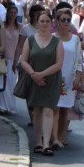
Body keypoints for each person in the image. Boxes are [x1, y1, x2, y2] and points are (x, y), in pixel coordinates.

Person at [19, 9, 64, 156]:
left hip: (51, 80)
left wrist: (41, 75)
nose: (44, 24)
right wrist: (33, 74)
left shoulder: (57, 41)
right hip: (34, 79)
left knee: (48, 110)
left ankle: (46, 144)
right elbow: (23, 60)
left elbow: (59, 64)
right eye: (42, 21)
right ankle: (38, 142)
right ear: (37, 23)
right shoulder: (30, 40)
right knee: (36, 111)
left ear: (51, 24)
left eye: (47, 21)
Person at [51, 5, 84, 149]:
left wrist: (78, 77)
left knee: (65, 108)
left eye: (68, 20)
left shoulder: (75, 39)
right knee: (55, 108)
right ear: (57, 21)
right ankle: (54, 137)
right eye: (63, 19)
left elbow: (78, 60)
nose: (66, 22)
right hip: (55, 76)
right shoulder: (52, 38)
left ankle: (62, 135)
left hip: (69, 77)